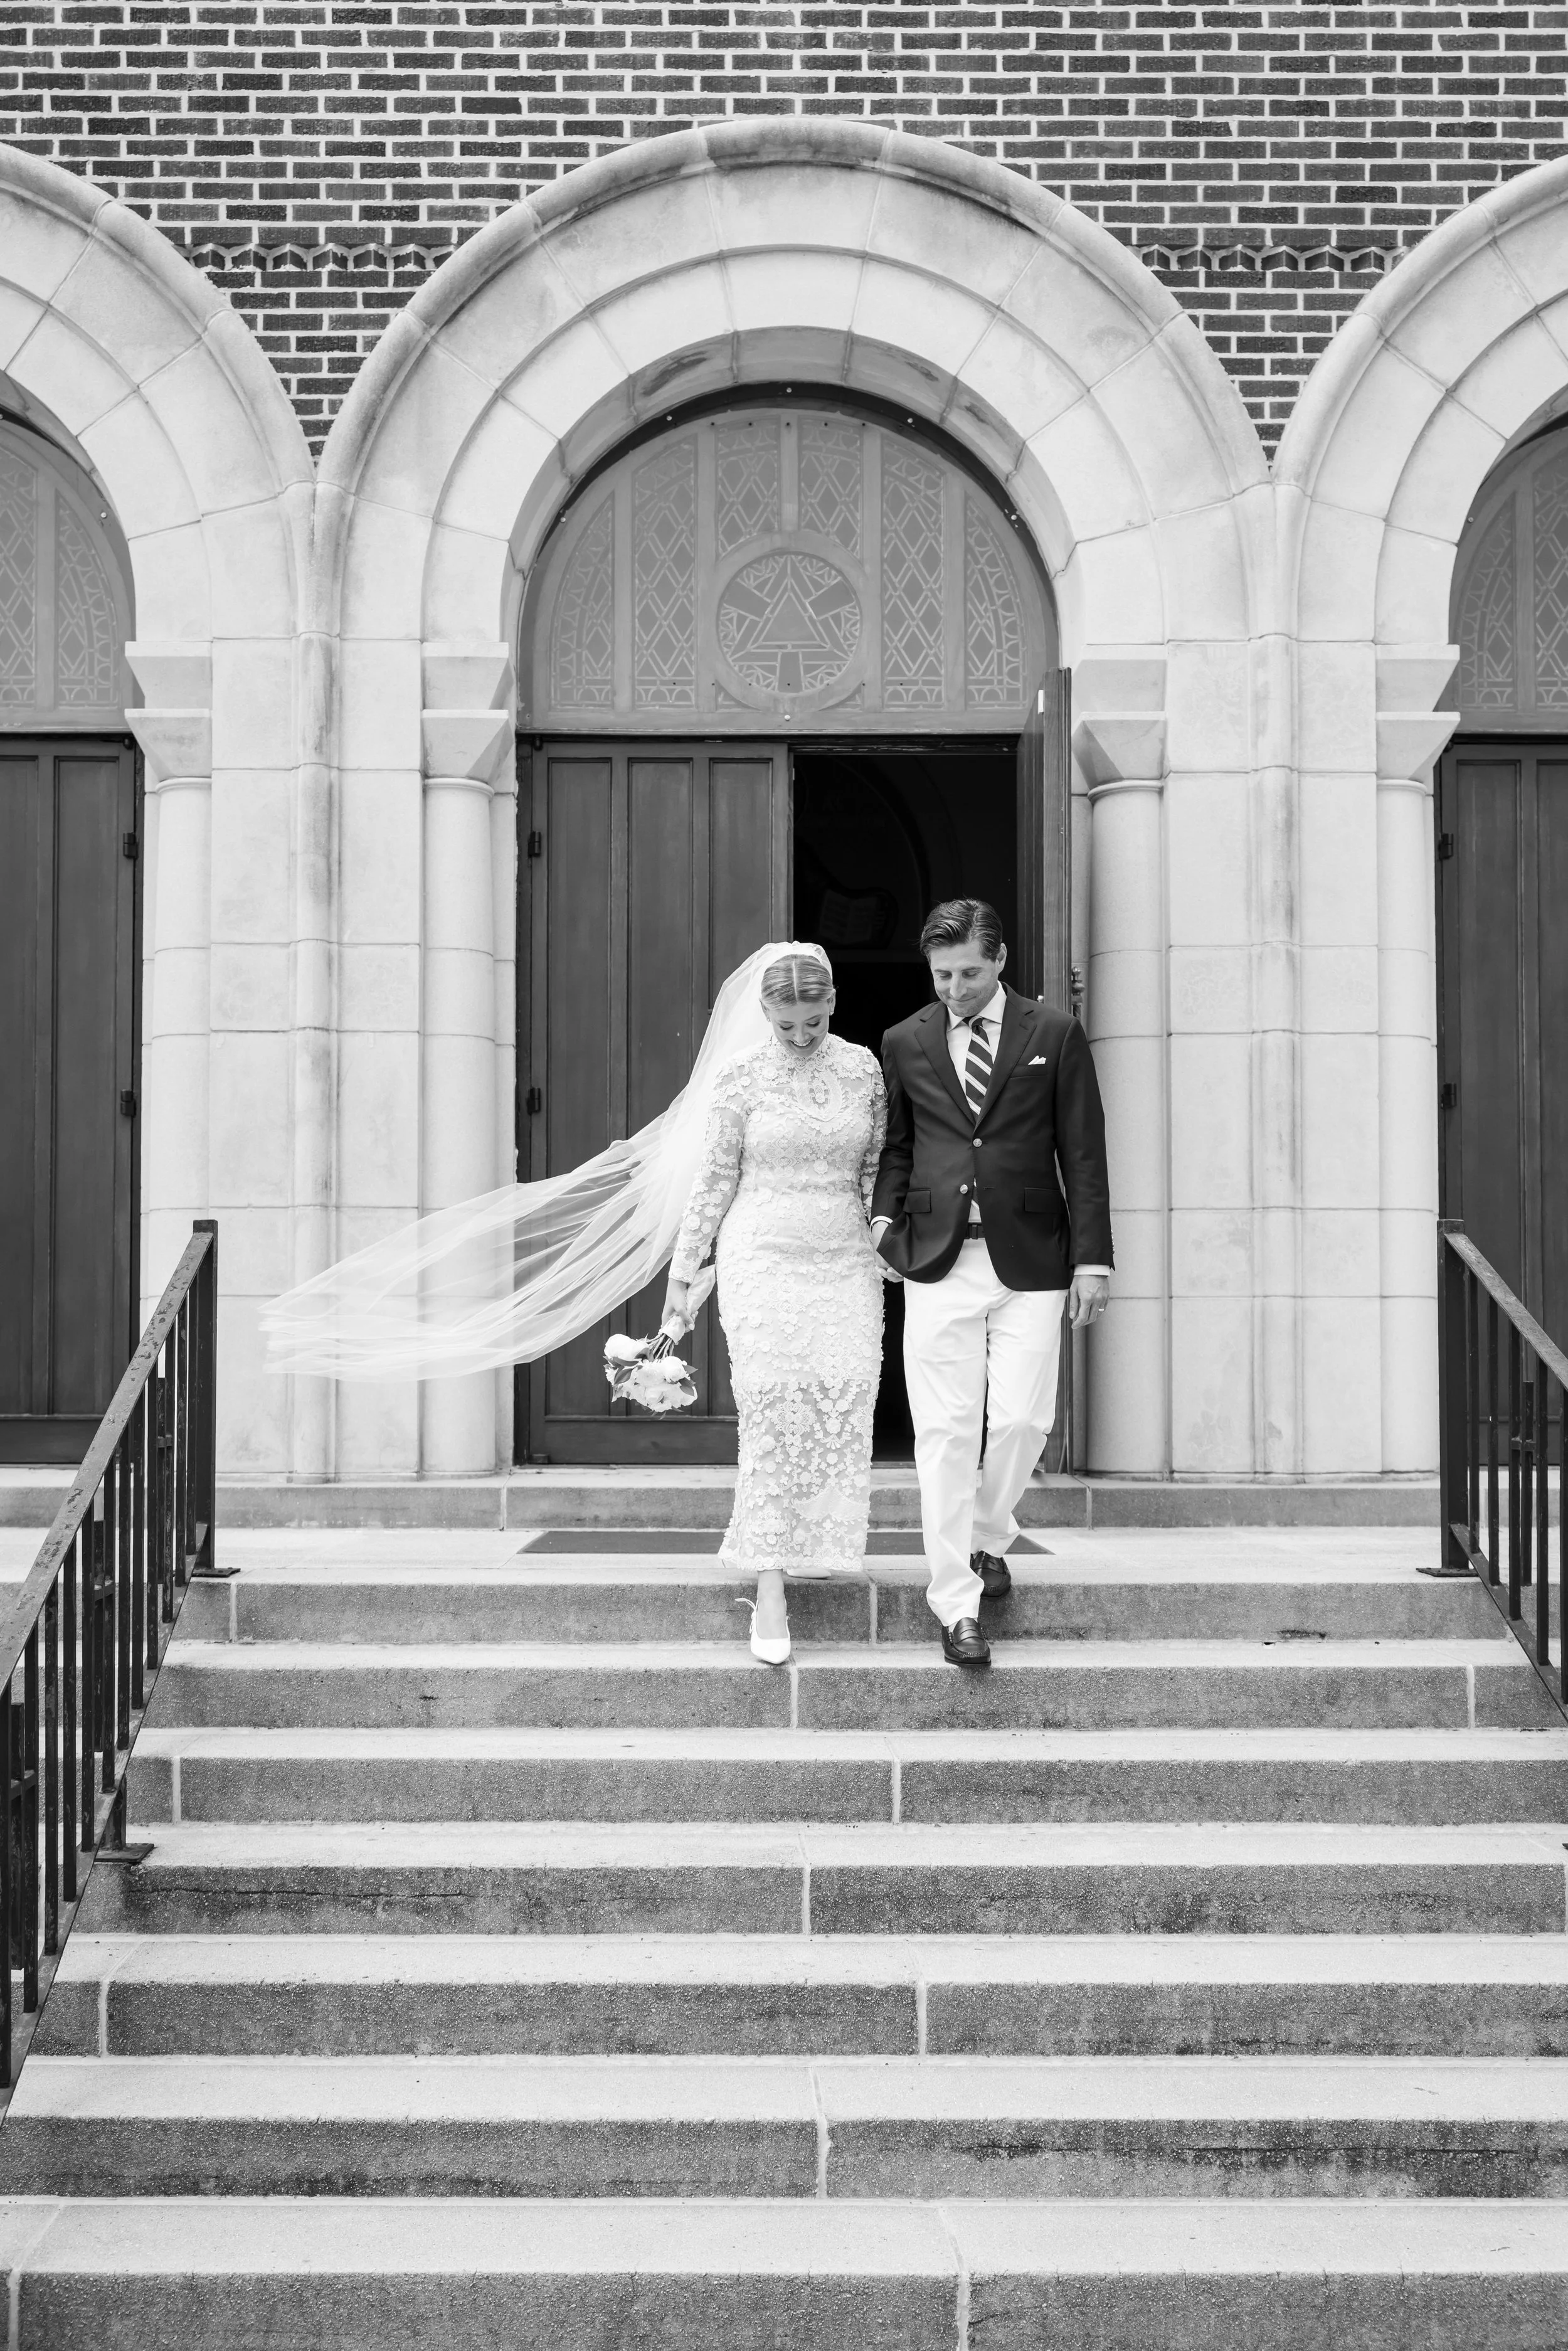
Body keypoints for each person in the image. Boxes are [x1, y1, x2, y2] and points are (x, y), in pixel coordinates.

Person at [871, 899, 1113, 1667]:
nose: (955, 988)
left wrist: (1093, 1260)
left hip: (1033, 1259)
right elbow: (899, 1147)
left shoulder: (1054, 1034)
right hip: (937, 1259)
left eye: (969, 972)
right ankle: (954, 1604)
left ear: (1000, 960)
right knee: (943, 1435)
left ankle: (988, 1532)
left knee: (1018, 1423)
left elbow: (1083, 1154)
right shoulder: (904, 1039)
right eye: (942, 974)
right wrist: (883, 1224)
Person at [660, 947, 887, 1664]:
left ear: (832, 1004)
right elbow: (715, 1176)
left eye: (813, 1022)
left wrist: (885, 1243)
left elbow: (876, 1163)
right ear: (763, 1014)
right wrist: (684, 1269)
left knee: (844, 1391)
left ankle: (819, 1539)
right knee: (772, 1404)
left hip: (845, 1256)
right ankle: (768, 1582)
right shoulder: (741, 1076)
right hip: (761, 1254)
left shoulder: (863, 1069)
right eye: (786, 1024)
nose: (800, 1037)